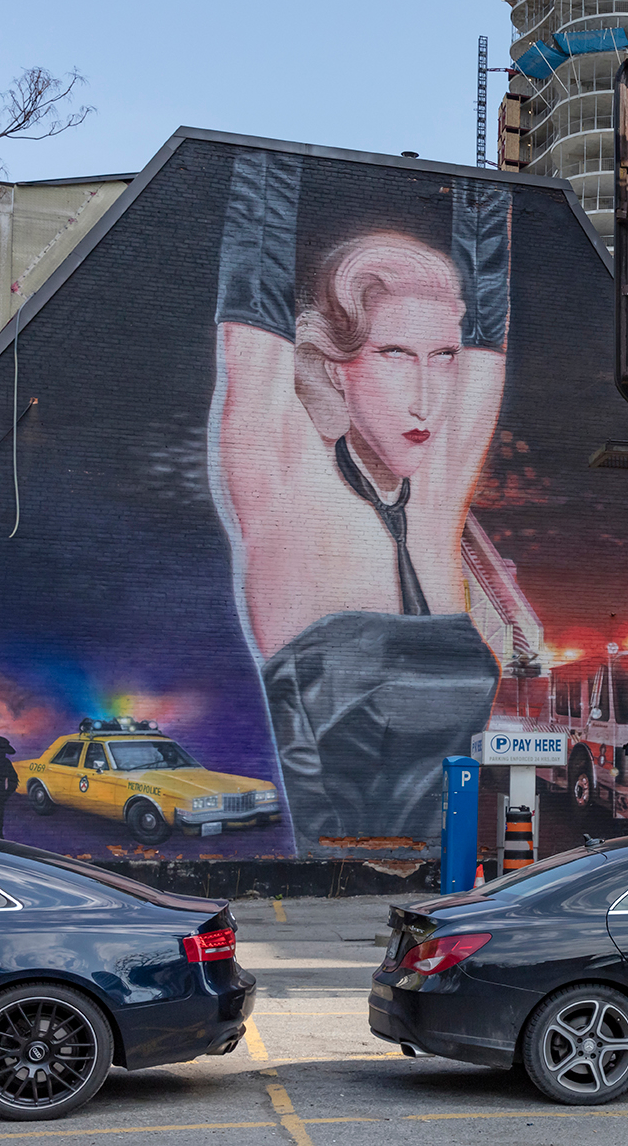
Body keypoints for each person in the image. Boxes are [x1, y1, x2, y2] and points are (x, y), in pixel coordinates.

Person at [212, 174, 509, 846]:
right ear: (334, 362)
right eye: (395, 354)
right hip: (336, 890)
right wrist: (272, 166)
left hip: (442, 892)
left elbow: (487, 323)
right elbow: (253, 339)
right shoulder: (284, 489)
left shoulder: (433, 508)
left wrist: (493, 190)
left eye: (443, 358)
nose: (427, 400)